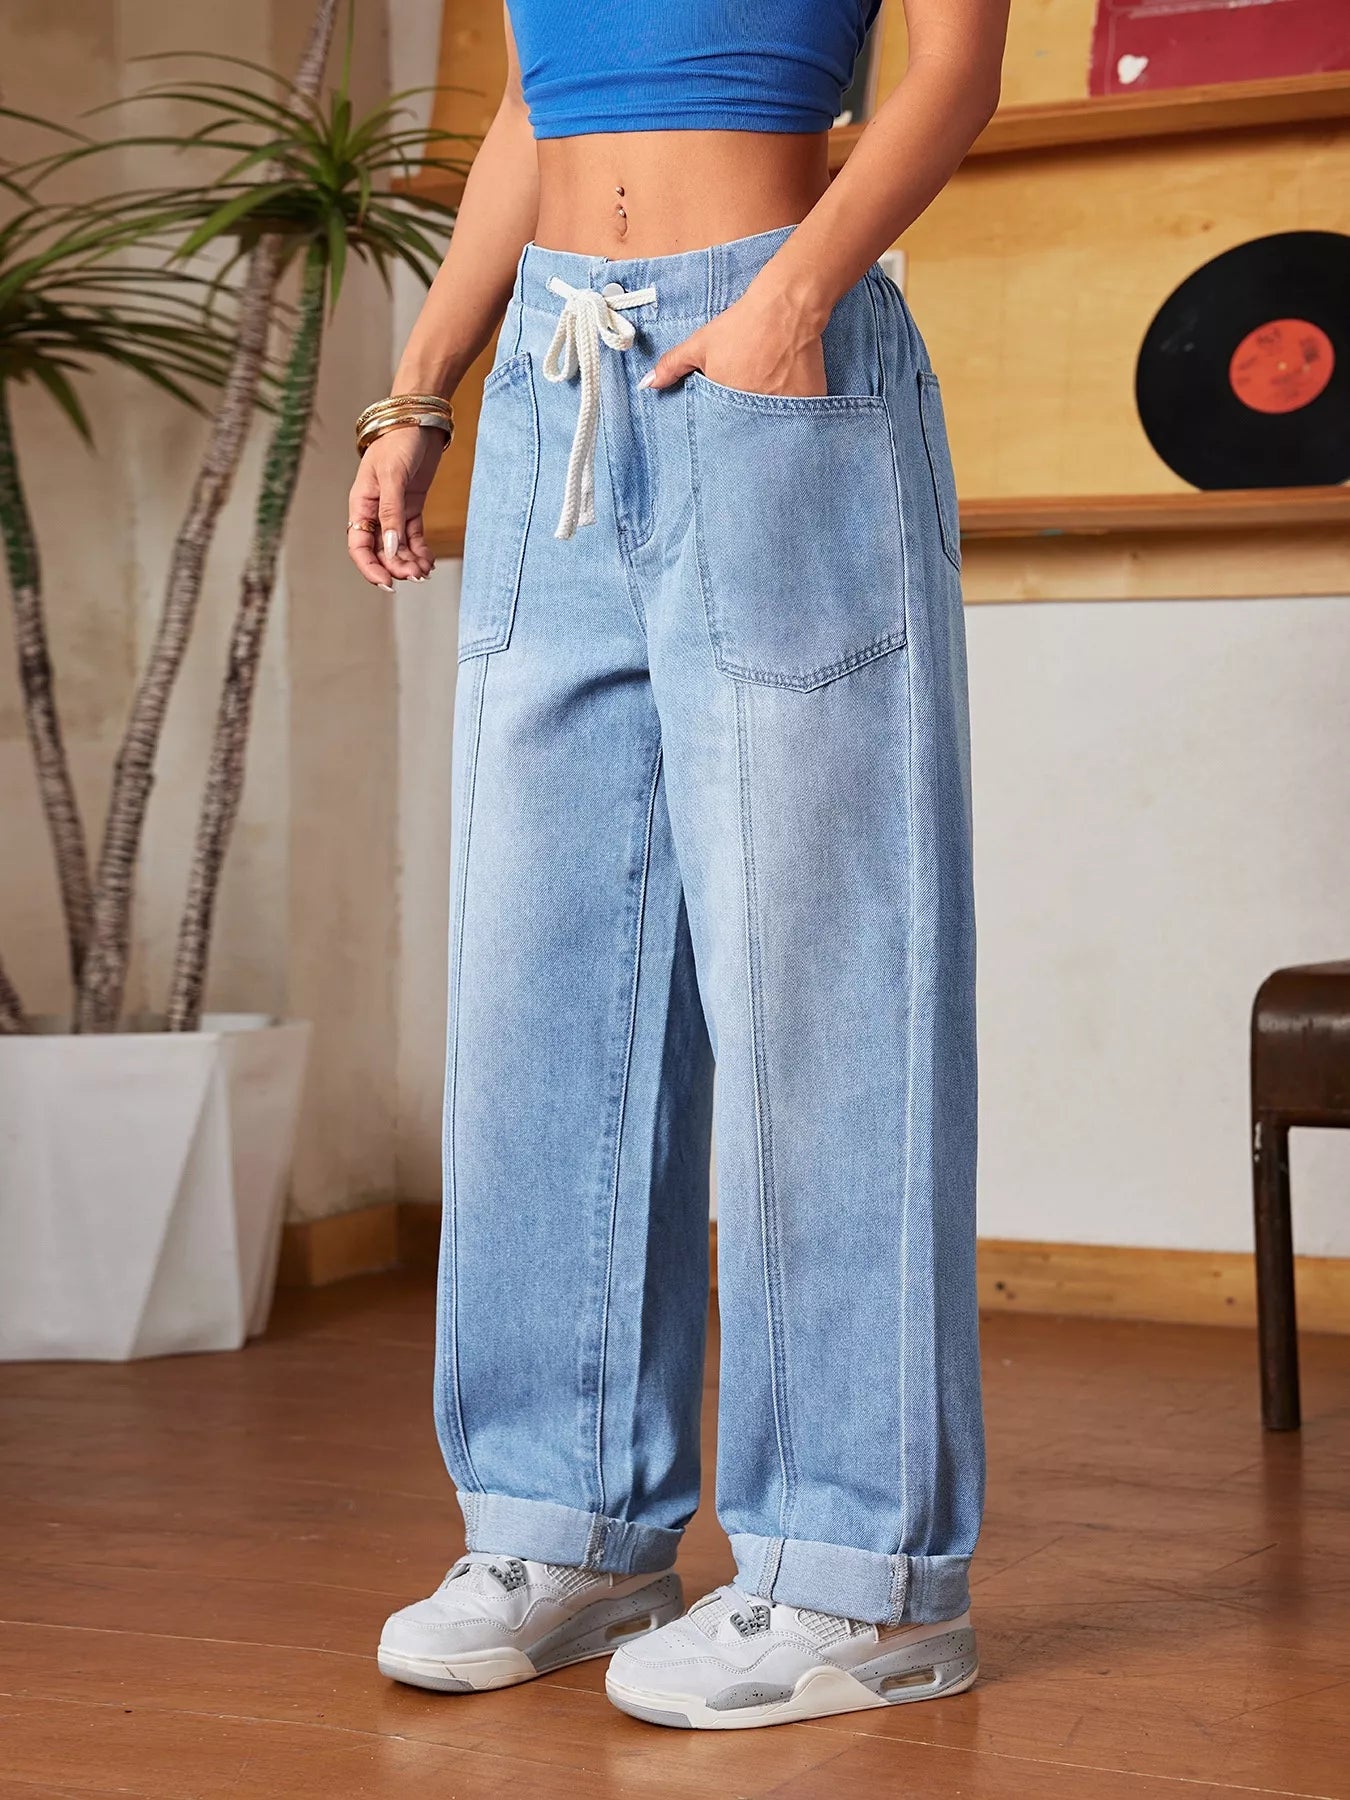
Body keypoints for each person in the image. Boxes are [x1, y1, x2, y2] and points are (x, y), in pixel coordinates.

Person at [347, 0, 1008, 1732]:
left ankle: (857, 1577)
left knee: (826, 976)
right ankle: (564, 1527)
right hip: (557, 373)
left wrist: (788, 300)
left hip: (770, 349)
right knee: (541, 973)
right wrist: (424, 384)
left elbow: (948, 72)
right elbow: (525, 112)